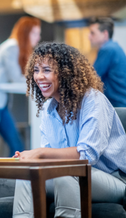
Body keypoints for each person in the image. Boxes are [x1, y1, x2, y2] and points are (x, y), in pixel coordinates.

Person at [12, 42, 126, 218]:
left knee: (66, 171)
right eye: (36, 70)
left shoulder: (93, 100)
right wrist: (31, 159)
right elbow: (50, 158)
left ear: (66, 72)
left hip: (113, 179)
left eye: (47, 70)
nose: (39, 76)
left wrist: (40, 153)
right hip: (70, 175)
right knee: (28, 174)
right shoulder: (49, 110)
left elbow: (86, 156)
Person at [0, 16, 41, 156]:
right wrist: (40, 80)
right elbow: (15, 77)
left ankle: (16, 178)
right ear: (25, 33)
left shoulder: (17, 48)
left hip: (0, 102)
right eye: (35, 33)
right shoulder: (11, 46)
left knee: (17, 145)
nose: (38, 38)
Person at [89, 16, 126, 107]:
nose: (89, 37)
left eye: (92, 33)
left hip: (116, 105)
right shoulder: (114, 47)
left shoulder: (107, 49)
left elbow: (91, 77)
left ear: (105, 34)